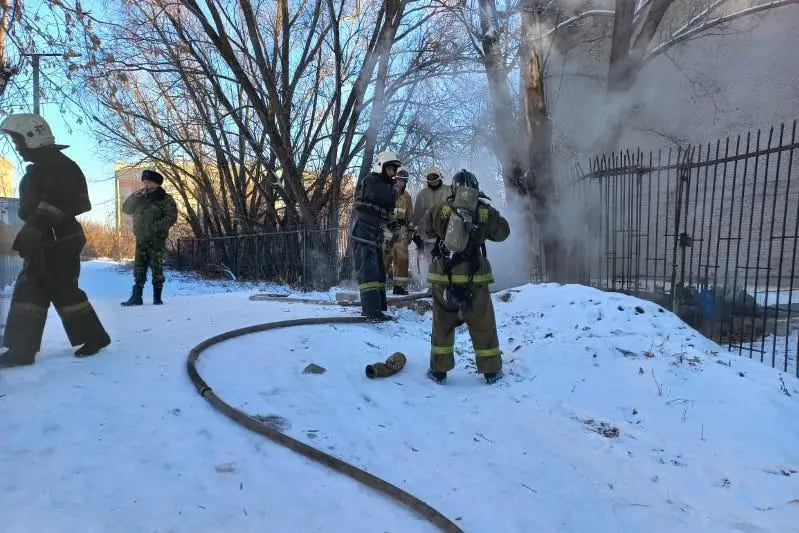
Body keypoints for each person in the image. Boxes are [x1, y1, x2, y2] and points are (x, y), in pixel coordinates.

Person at [0, 113, 110, 368]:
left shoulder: (62, 166)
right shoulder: (40, 168)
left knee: (63, 289)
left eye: (18, 140)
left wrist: (36, 227)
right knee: (29, 290)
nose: (17, 147)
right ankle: (20, 350)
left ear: (32, 137)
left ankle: (95, 337)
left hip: (61, 239)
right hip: (42, 240)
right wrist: (32, 229)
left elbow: (72, 200)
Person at [420, 169, 510, 385]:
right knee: (483, 324)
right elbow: (503, 233)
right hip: (474, 279)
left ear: (453, 188)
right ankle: (491, 370)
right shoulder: (484, 211)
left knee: (442, 325)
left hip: (444, 279)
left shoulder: (441, 209)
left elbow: (425, 231)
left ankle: (439, 370)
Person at [351, 151, 402, 321]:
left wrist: (395, 228)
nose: (393, 173)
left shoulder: (385, 187)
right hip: (363, 230)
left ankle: (380, 308)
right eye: (390, 169)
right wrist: (397, 189)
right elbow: (389, 194)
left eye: (394, 170)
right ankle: (370, 310)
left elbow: (387, 213)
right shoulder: (372, 181)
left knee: (379, 271)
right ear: (380, 167)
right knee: (369, 271)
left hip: (374, 232)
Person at [120, 169, 178, 306]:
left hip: (156, 239)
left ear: (156, 183)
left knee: (156, 267)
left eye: (148, 181)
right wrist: (134, 196)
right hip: (141, 238)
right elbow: (126, 209)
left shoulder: (165, 199)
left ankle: (157, 298)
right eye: (144, 181)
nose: (145, 184)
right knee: (139, 267)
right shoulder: (140, 197)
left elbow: (171, 217)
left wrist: (155, 227)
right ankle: (136, 297)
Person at [382, 166, 418, 295]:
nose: (401, 183)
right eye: (399, 180)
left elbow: (410, 215)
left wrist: (410, 231)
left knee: (402, 258)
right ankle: (380, 284)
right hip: (387, 229)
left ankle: (399, 286)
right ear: (394, 179)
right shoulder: (386, 191)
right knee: (386, 257)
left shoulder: (407, 197)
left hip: (401, 230)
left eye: (403, 181)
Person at [412, 165, 450, 282]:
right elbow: (417, 215)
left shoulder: (448, 190)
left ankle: (445, 285)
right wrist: (415, 232)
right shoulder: (422, 195)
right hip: (428, 235)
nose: (433, 181)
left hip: (446, 234)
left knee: (444, 260)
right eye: (430, 178)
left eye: (435, 178)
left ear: (439, 177)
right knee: (430, 261)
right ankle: (432, 286)